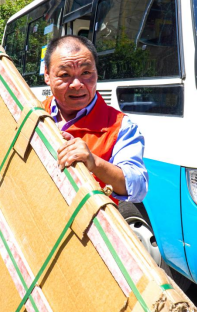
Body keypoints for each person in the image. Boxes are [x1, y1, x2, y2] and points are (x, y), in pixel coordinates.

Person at [42, 35, 148, 204]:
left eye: (86, 72)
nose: (77, 84)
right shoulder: (34, 114)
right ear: (47, 75)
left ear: (96, 72)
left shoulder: (120, 126)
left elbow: (138, 188)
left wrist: (94, 163)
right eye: (65, 74)